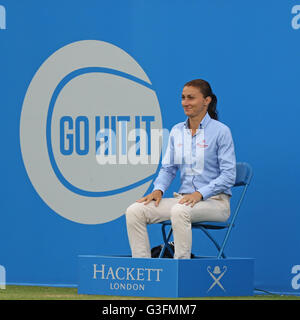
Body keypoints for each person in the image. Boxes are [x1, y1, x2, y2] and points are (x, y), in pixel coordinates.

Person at [125, 79, 236, 259]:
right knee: (135, 210)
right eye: (183, 98)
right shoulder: (177, 131)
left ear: (206, 100)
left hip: (215, 203)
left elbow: (229, 176)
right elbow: (168, 168)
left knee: (179, 211)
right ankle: (143, 270)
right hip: (184, 201)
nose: (185, 102)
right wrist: (158, 189)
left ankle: (181, 271)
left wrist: (199, 194)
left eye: (191, 98)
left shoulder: (221, 131)